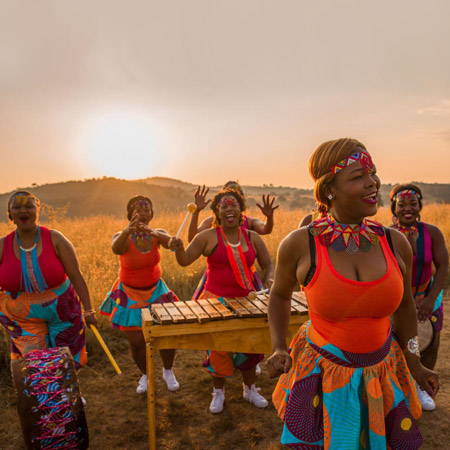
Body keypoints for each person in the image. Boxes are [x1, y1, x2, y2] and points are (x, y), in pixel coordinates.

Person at [266, 138, 439, 449]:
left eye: (372, 173)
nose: (373, 182)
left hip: (383, 373)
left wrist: (414, 363)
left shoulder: (395, 242)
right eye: (359, 176)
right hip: (325, 376)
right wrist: (279, 347)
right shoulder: (300, 244)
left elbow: (405, 310)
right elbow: (279, 295)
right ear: (329, 188)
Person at [169, 188, 274, 414]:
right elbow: (185, 260)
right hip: (215, 302)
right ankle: (218, 392)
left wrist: (271, 279)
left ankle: (250, 388)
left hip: (248, 300)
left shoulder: (252, 237)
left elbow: (268, 265)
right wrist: (178, 249)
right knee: (219, 348)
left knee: (251, 346)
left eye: (233, 205)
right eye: (224, 205)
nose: (229, 208)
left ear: (240, 210)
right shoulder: (206, 236)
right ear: (217, 210)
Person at [0, 191, 96, 371]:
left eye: (29, 206)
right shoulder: (2, 245)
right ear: (10, 213)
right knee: (38, 364)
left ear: (37, 210)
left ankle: (70, 397)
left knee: (65, 359)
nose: (23, 210)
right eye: (17, 207)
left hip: (62, 311)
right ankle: (49, 398)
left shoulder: (55, 238)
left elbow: (76, 275)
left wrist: (89, 310)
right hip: (23, 319)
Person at [99, 196, 180, 394]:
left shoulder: (157, 234)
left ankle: (168, 371)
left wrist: (168, 239)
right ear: (130, 214)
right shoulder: (121, 235)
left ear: (152, 214)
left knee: (166, 335)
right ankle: (146, 375)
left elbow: (171, 244)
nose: (143, 214)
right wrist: (129, 230)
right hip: (129, 293)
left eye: (147, 210)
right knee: (136, 343)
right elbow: (116, 248)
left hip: (157, 292)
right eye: (138, 210)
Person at [390, 184, 448, 411]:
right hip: (397, 301)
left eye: (413, 204)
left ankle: (424, 390)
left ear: (420, 205)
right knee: (397, 344)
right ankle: (400, 388)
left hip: (427, 297)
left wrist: (429, 299)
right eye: (402, 204)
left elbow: (443, 266)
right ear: (394, 207)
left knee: (429, 343)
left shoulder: (432, 233)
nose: (408, 209)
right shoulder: (386, 234)